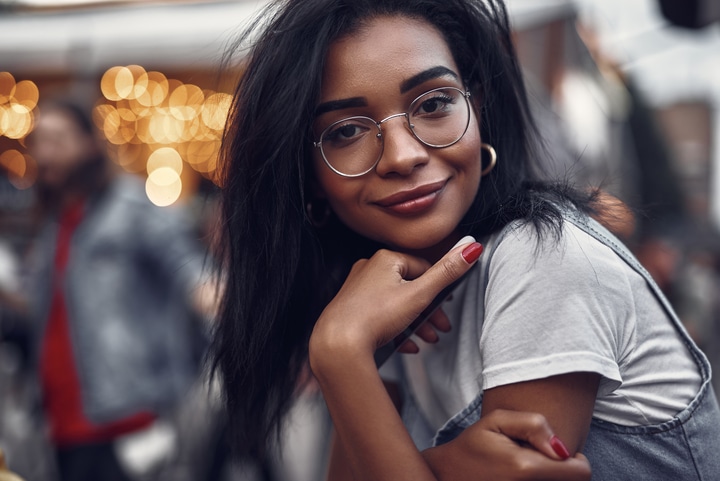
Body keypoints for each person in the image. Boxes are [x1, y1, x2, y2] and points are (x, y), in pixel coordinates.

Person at [211, 0, 720, 480]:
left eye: (434, 103)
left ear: (477, 109)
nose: (402, 155)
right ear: (309, 178)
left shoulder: (539, 255)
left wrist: (340, 355)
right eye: (346, 131)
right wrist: (355, 357)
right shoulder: (391, 299)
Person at [9, 99, 213, 481]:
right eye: (39, 141)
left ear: (88, 143)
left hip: (127, 414)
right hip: (62, 420)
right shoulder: (55, 223)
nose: (46, 153)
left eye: (58, 139)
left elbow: (190, 267)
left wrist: (211, 298)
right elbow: (47, 312)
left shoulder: (128, 204)